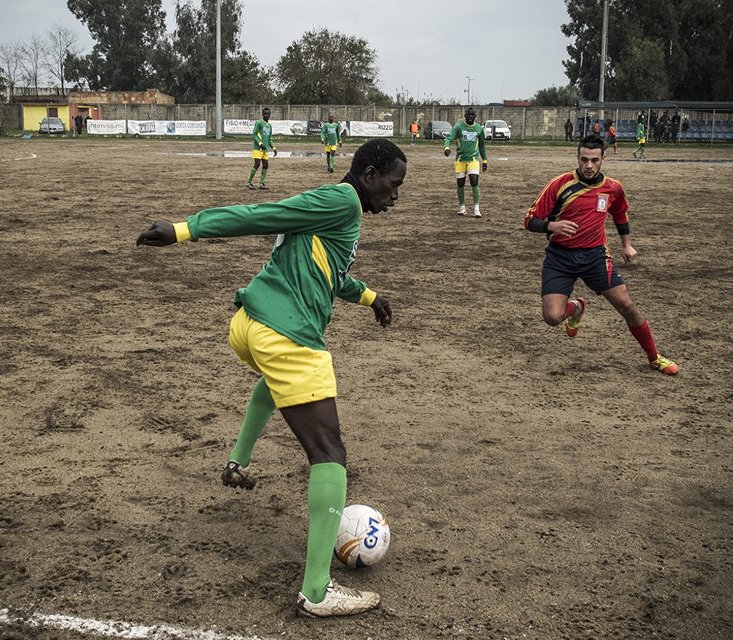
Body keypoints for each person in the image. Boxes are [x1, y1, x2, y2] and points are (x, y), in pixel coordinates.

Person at [136, 139, 408, 617]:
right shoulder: (341, 200)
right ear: (369, 174)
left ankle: (238, 461)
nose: (396, 195)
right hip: (287, 335)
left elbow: (331, 273)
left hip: (251, 326)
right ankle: (318, 593)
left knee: (279, 386)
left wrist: (367, 296)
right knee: (330, 453)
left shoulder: (341, 212)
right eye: (394, 183)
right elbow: (263, 214)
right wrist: (184, 230)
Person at [523, 134, 679, 376]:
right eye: (584, 159)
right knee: (553, 317)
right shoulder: (559, 185)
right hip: (559, 258)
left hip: (595, 257)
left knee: (627, 305)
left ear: (603, 159)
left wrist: (627, 245)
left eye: (594, 160)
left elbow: (620, 214)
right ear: (577, 158)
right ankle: (575, 308)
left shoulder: (613, 188)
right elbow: (529, 220)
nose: (588, 165)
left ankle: (654, 357)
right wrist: (551, 226)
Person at [443, 107, 488, 217]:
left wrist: (485, 160)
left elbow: (482, 146)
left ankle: (476, 208)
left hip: (473, 160)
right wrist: (446, 147)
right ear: (465, 116)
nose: (470, 117)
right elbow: (449, 137)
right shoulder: (458, 127)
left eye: (472, 115)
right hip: (460, 160)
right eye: (468, 115)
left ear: (475, 117)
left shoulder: (479, 129)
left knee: (474, 181)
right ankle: (462, 207)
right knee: (460, 184)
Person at [248, 107, 277, 190]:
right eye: (265, 114)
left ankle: (261, 183)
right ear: (262, 114)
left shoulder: (269, 126)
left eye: (268, 114)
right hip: (257, 148)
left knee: (266, 164)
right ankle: (249, 182)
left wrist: (273, 148)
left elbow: (269, 139)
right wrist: (260, 143)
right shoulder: (259, 123)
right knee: (257, 164)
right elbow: (254, 134)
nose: (267, 115)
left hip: (265, 149)